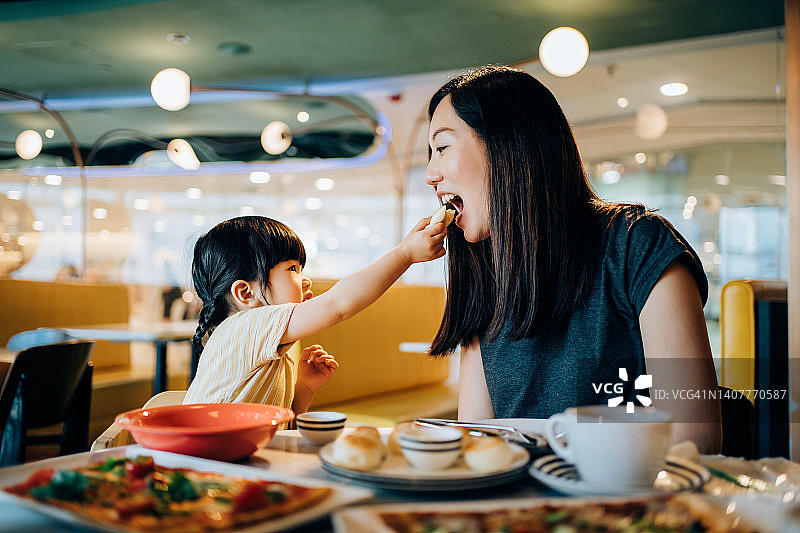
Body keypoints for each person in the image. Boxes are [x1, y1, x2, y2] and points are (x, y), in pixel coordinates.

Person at [423, 66, 722, 453]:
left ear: (508, 145)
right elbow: (478, 443)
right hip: (516, 508)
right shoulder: (483, 273)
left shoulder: (637, 244)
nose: (430, 173)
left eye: (442, 147)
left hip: (631, 502)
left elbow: (693, 440)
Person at [184, 215, 447, 415]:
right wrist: (405, 254)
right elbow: (337, 305)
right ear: (246, 293)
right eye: (293, 269)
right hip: (208, 463)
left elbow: (284, 425)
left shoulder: (269, 345)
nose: (305, 280)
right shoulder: (245, 326)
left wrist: (303, 389)